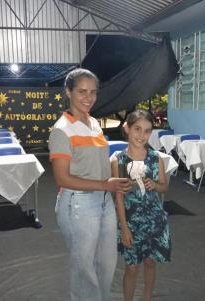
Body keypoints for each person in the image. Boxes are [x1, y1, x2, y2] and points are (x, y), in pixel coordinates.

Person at [48, 68, 131, 301]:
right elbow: (62, 179)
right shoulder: (61, 130)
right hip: (78, 203)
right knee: (84, 268)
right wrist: (107, 184)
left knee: (106, 263)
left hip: (104, 200)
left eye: (93, 92)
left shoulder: (94, 122)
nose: (89, 97)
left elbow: (97, 160)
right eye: (82, 91)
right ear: (68, 91)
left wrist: (116, 174)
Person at [110, 109, 171, 301]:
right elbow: (118, 197)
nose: (141, 135)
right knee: (131, 266)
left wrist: (155, 185)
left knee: (150, 262)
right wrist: (124, 228)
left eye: (147, 130)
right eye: (137, 129)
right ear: (127, 128)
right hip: (130, 221)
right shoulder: (118, 160)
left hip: (154, 220)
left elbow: (163, 187)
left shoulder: (156, 158)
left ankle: (147, 298)